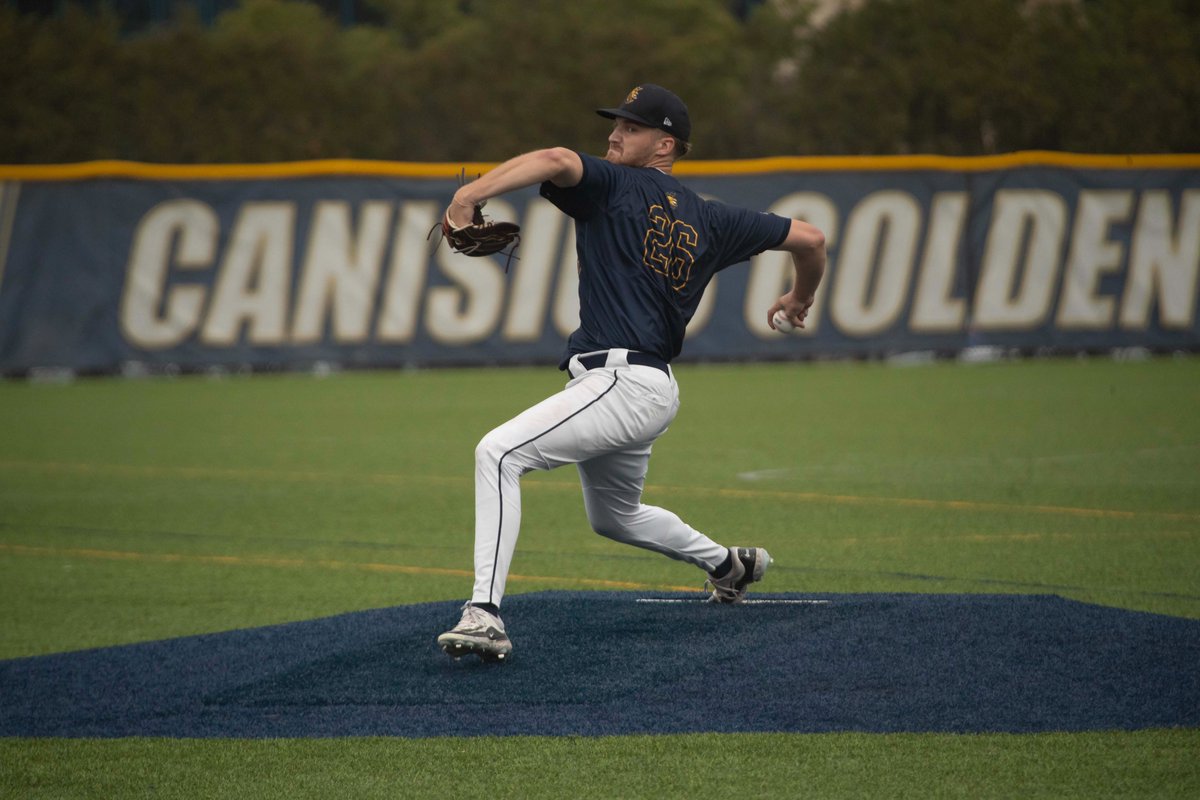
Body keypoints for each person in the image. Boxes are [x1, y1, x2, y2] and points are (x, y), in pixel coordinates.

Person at [436, 84, 826, 663]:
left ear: (665, 144)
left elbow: (556, 160)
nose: (615, 135)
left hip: (621, 382)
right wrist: (799, 296)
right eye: (615, 124)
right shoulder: (714, 219)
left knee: (498, 453)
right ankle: (729, 564)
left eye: (631, 128)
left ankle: (484, 615)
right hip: (644, 387)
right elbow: (811, 238)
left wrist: (468, 194)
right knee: (615, 517)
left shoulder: (612, 184)